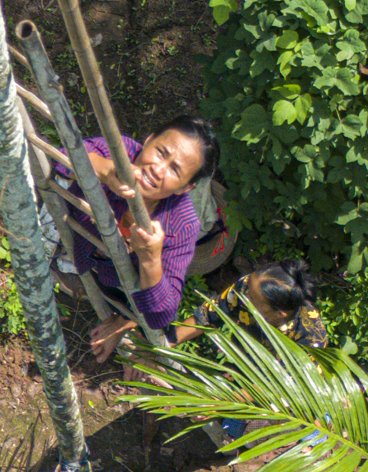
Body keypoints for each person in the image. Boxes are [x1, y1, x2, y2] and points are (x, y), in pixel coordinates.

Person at [52, 116, 217, 363]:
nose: (157, 170)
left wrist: (150, 260)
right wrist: (102, 168)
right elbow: (58, 157)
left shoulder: (182, 224)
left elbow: (161, 315)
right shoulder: (122, 152)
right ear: (148, 140)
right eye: (160, 152)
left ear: (186, 188)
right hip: (71, 236)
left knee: (135, 298)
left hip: (114, 280)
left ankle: (122, 321)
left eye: (175, 170)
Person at [171, 261, 327, 443]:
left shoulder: (311, 334)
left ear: (279, 313)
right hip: (249, 373)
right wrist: (161, 344)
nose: (243, 295)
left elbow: (279, 386)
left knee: (300, 437)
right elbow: (206, 316)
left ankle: (315, 435)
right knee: (233, 434)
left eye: (251, 298)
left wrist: (220, 402)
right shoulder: (250, 288)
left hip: (291, 391)